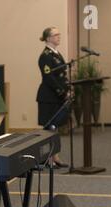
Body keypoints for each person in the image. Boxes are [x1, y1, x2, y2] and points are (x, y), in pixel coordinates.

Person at [36, 27, 70, 168]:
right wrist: (62, 91)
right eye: (55, 35)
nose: (58, 37)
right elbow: (49, 78)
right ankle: (47, 158)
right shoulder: (45, 56)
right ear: (48, 38)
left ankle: (55, 156)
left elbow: (62, 75)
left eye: (59, 34)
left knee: (54, 128)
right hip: (48, 96)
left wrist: (67, 89)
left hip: (57, 96)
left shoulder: (56, 54)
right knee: (49, 127)